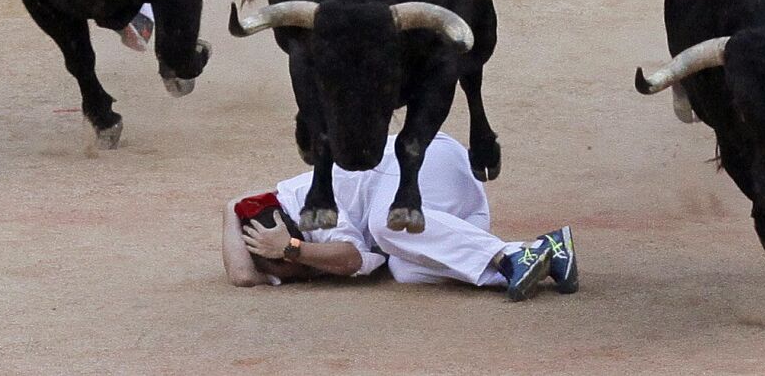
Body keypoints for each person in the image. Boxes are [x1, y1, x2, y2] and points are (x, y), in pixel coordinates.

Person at [223, 130, 577, 300]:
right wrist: (230, 210)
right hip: (451, 212)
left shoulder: (304, 206)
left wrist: (290, 249)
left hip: (425, 159)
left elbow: (348, 260)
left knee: (386, 225)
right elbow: (242, 276)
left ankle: (512, 256)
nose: (303, 276)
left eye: (291, 273)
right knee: (406, 270)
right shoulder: (282, 226)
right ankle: (541, 253)